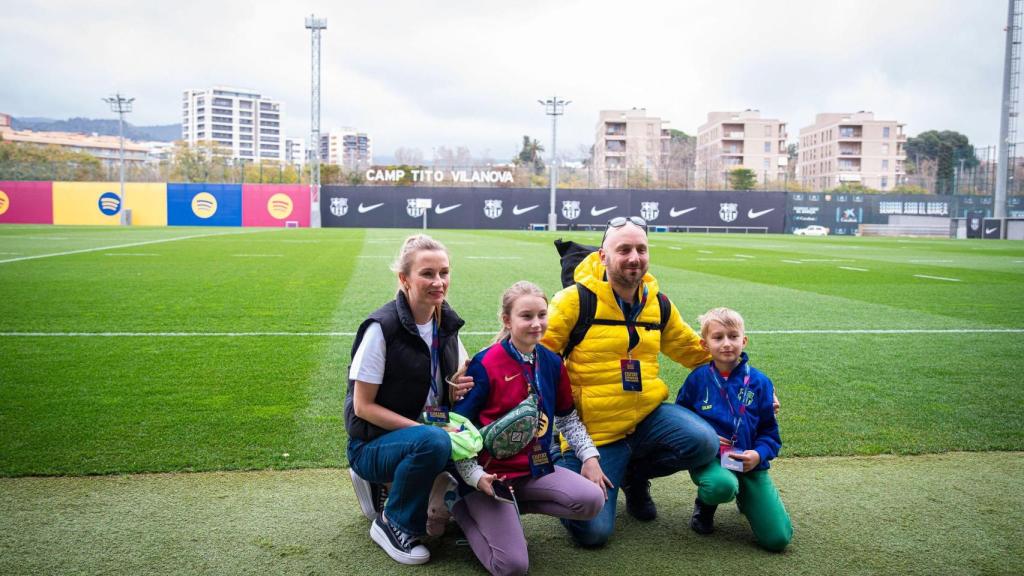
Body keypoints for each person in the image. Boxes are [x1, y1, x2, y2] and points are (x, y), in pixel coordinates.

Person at [541, 216, 719, 547]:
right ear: (603, 256)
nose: (634, 258)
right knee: (593, 534)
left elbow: (695, 352)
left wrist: (746, 379)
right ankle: (562, 460)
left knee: (703, 442)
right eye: (624, 249)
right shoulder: (574, 301)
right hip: (594, 434)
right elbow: (536, 359)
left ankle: (633, 477)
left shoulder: (658, 303)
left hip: (645, 418)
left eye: (641, 249)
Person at [451, 281, 607, 576]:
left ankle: (508, 511)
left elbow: (567, 417)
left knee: (592, 501)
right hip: (489, 477)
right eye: (526, 316)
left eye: (542, 315)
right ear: (507, 320)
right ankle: (459, 507)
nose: (536, 324)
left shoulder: (551, 361)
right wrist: (475, 477)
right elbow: (460, 430)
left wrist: (589, 457)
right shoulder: (484, 364)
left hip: (533, 470)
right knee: (511, 567)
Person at [344, 234, 475, 566]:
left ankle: (392, 485)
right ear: (404, 279)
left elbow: (447, 382)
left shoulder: (446, 323)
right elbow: (363, 407)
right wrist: (428, 432)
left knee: (471, 433)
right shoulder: (381, 328)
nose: (438, 282)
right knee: (432, 441)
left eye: (444, 272)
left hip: (426, 432)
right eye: (427, 273)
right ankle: (393, 522)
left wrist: (455, 389)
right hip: (372, 444)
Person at [676, 307, 792, 552]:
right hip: (711, 461)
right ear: (704, 344)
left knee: (777, 539)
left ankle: (749, 496)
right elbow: (681, 419)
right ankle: (705, 506)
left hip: (747, 463)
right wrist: (703, 437)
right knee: (722, 486)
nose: (726, 343)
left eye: (733, 336)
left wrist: (758, 455)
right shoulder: (697, 380)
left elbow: (771, 434)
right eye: (718, 337)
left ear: (744, 340)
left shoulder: (760, 382)